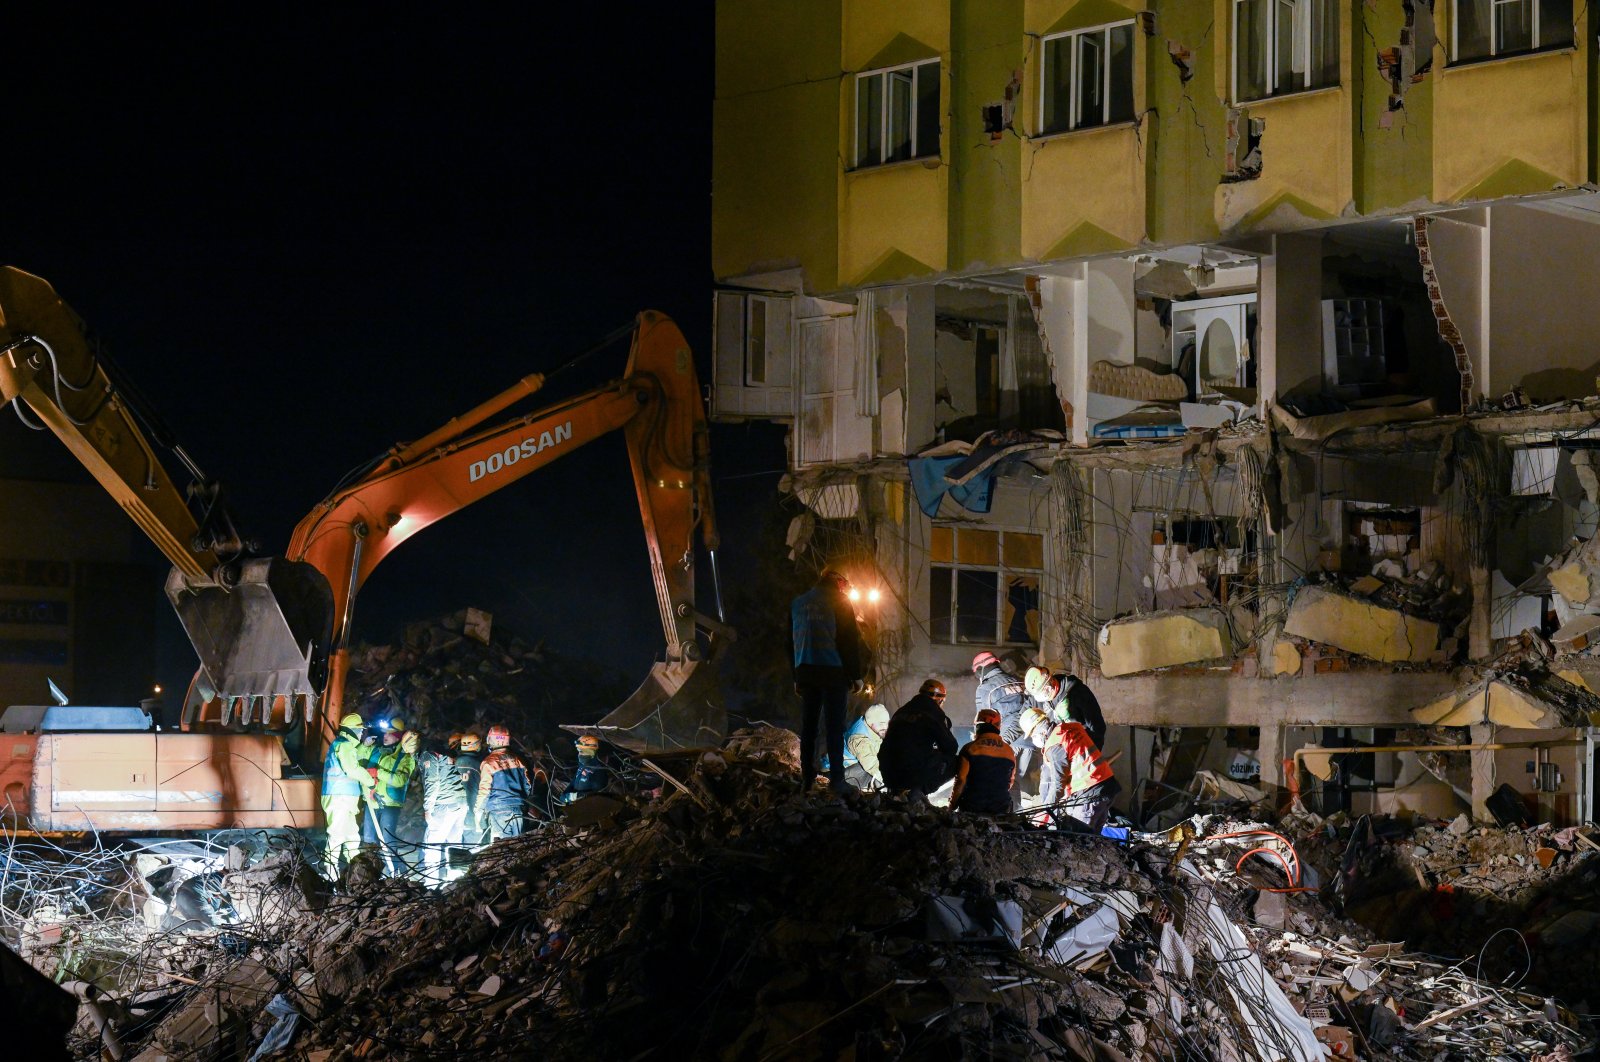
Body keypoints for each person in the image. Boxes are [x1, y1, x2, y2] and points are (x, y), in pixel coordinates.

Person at [790, 568, 865, 791]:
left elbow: (790, 641)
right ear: (839, 583)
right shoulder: (839, 601)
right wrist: (856, 676)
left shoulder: (798, 603)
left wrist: (797, 676)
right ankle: (838, 780)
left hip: (806, 672)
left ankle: (806, 778)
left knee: (809, 727)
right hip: (833, 672)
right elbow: (848, 640)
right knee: (834, 727)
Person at [1020, 705, 1120, 832]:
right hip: (1106, 786)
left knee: (1079, 837)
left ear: (1041, 731)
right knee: (1093, 840)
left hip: (1089, 793)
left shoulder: (1055, 746)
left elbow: (1058, 785)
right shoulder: (1068, 729)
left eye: (1032, 735)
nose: (1033, 739)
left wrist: (1045, 812)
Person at [321, 712, 377, 879]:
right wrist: (370, 781)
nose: (361, 734)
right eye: (360, 731)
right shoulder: (344, 745)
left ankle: (356, 875)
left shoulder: (345, 745)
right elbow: (352, 769)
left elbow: (352, 760)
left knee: (352, 836)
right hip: (339, 797)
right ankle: (331, 875)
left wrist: (364, 746)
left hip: (344, 798)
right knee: (337, 836)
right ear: (352, 730)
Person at [878, 679, 958, 794]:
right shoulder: (934, 712)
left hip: (888, 775)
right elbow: (950, 747)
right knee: (956, 761)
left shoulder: (901, 711)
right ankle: (918, 792)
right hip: (912, 775)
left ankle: (897, 792)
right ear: (939, 700)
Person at [973, 652, 1033, 800]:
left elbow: (984, 720)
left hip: (1007, 742)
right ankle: (1017, 814)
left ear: (981, 669)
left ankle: (1006, 815)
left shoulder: (986, 688)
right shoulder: (1017, 681)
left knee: (1003, 780)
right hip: (1030, 740)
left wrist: (980, 743)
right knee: (1017, 779)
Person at [417, 735, 468, 884]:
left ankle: (431, 883)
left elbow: (432, 782)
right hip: (460, 802)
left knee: (432, 844)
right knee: (455, 843)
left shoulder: (429, 755)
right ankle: (456, 881)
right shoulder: (446, 754)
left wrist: (428, 808)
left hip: (444, 804)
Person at [370, 729, 419, 876]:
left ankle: (397, 872)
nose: (385, 736)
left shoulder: (407, 758)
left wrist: (378, 773)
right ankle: (381, 871)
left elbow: (399, 780)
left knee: (388, 842)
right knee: (373, 841)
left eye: (389, 734)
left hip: (390, 805)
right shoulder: (385, 753)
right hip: (375, 801)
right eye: (384, 733)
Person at [951, 707, 1016, 815]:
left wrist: (952, 805)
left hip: (972, 807)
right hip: (1000, 808)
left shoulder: (969, 748)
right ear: (998, 726)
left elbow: (960, 780)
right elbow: (1010, 782)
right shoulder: (1009, 751)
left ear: (977, 726)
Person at [1023, 667, 1106, 751]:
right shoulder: (1047, 700)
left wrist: (1091, 753)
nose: (1039, 699)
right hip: (1064, 750)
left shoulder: (1077, 693)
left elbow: (1097, 727)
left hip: (1083, 748)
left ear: (1047, 688)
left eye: (1039, 694)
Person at [477, 725, 535, 841]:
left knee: (502, 848)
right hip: (518, 809)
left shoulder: (489, 762)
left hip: (498, 810)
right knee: (517, 846)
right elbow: (527, 786)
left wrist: (478, 812)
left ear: (490, 740)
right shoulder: (517, 760)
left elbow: (484, 791)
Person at [841, 704, 890, 789]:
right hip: (838, 774)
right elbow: (871, 764)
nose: (885, 727)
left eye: (887, 723)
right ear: (871, 723)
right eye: (881, 723)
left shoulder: (873, 729)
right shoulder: (859, 738)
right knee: (872, 770)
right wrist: (891, 782)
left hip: (850, 770)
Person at [559, 734, 611, 804]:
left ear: (591, 752)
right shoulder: (581, 767)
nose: (579, 754)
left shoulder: (598, 771)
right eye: (578, 751)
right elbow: (572, 785)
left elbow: (597, 796)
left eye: (581, 751)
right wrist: (565, 796)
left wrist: (576, 796)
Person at [455, 732, 486, 845]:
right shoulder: (480, 764)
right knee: (473, 847)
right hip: (474, 813)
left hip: (456, 811)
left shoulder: (454, 762)